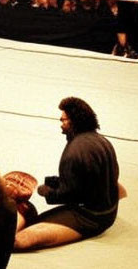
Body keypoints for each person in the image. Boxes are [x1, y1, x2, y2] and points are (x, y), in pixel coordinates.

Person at [14, 97, 121, 251]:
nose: (61, 126)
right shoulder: (103, 141)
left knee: (18, 241)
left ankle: (24, 210)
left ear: (74, 121)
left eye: (63, 121)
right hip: (108, 211)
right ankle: (26, 212)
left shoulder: (73, 151)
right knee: (36, 222)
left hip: (89, 217)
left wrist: (46, 191)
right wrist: (57, 181)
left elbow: (69, 196)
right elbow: (105, 178)